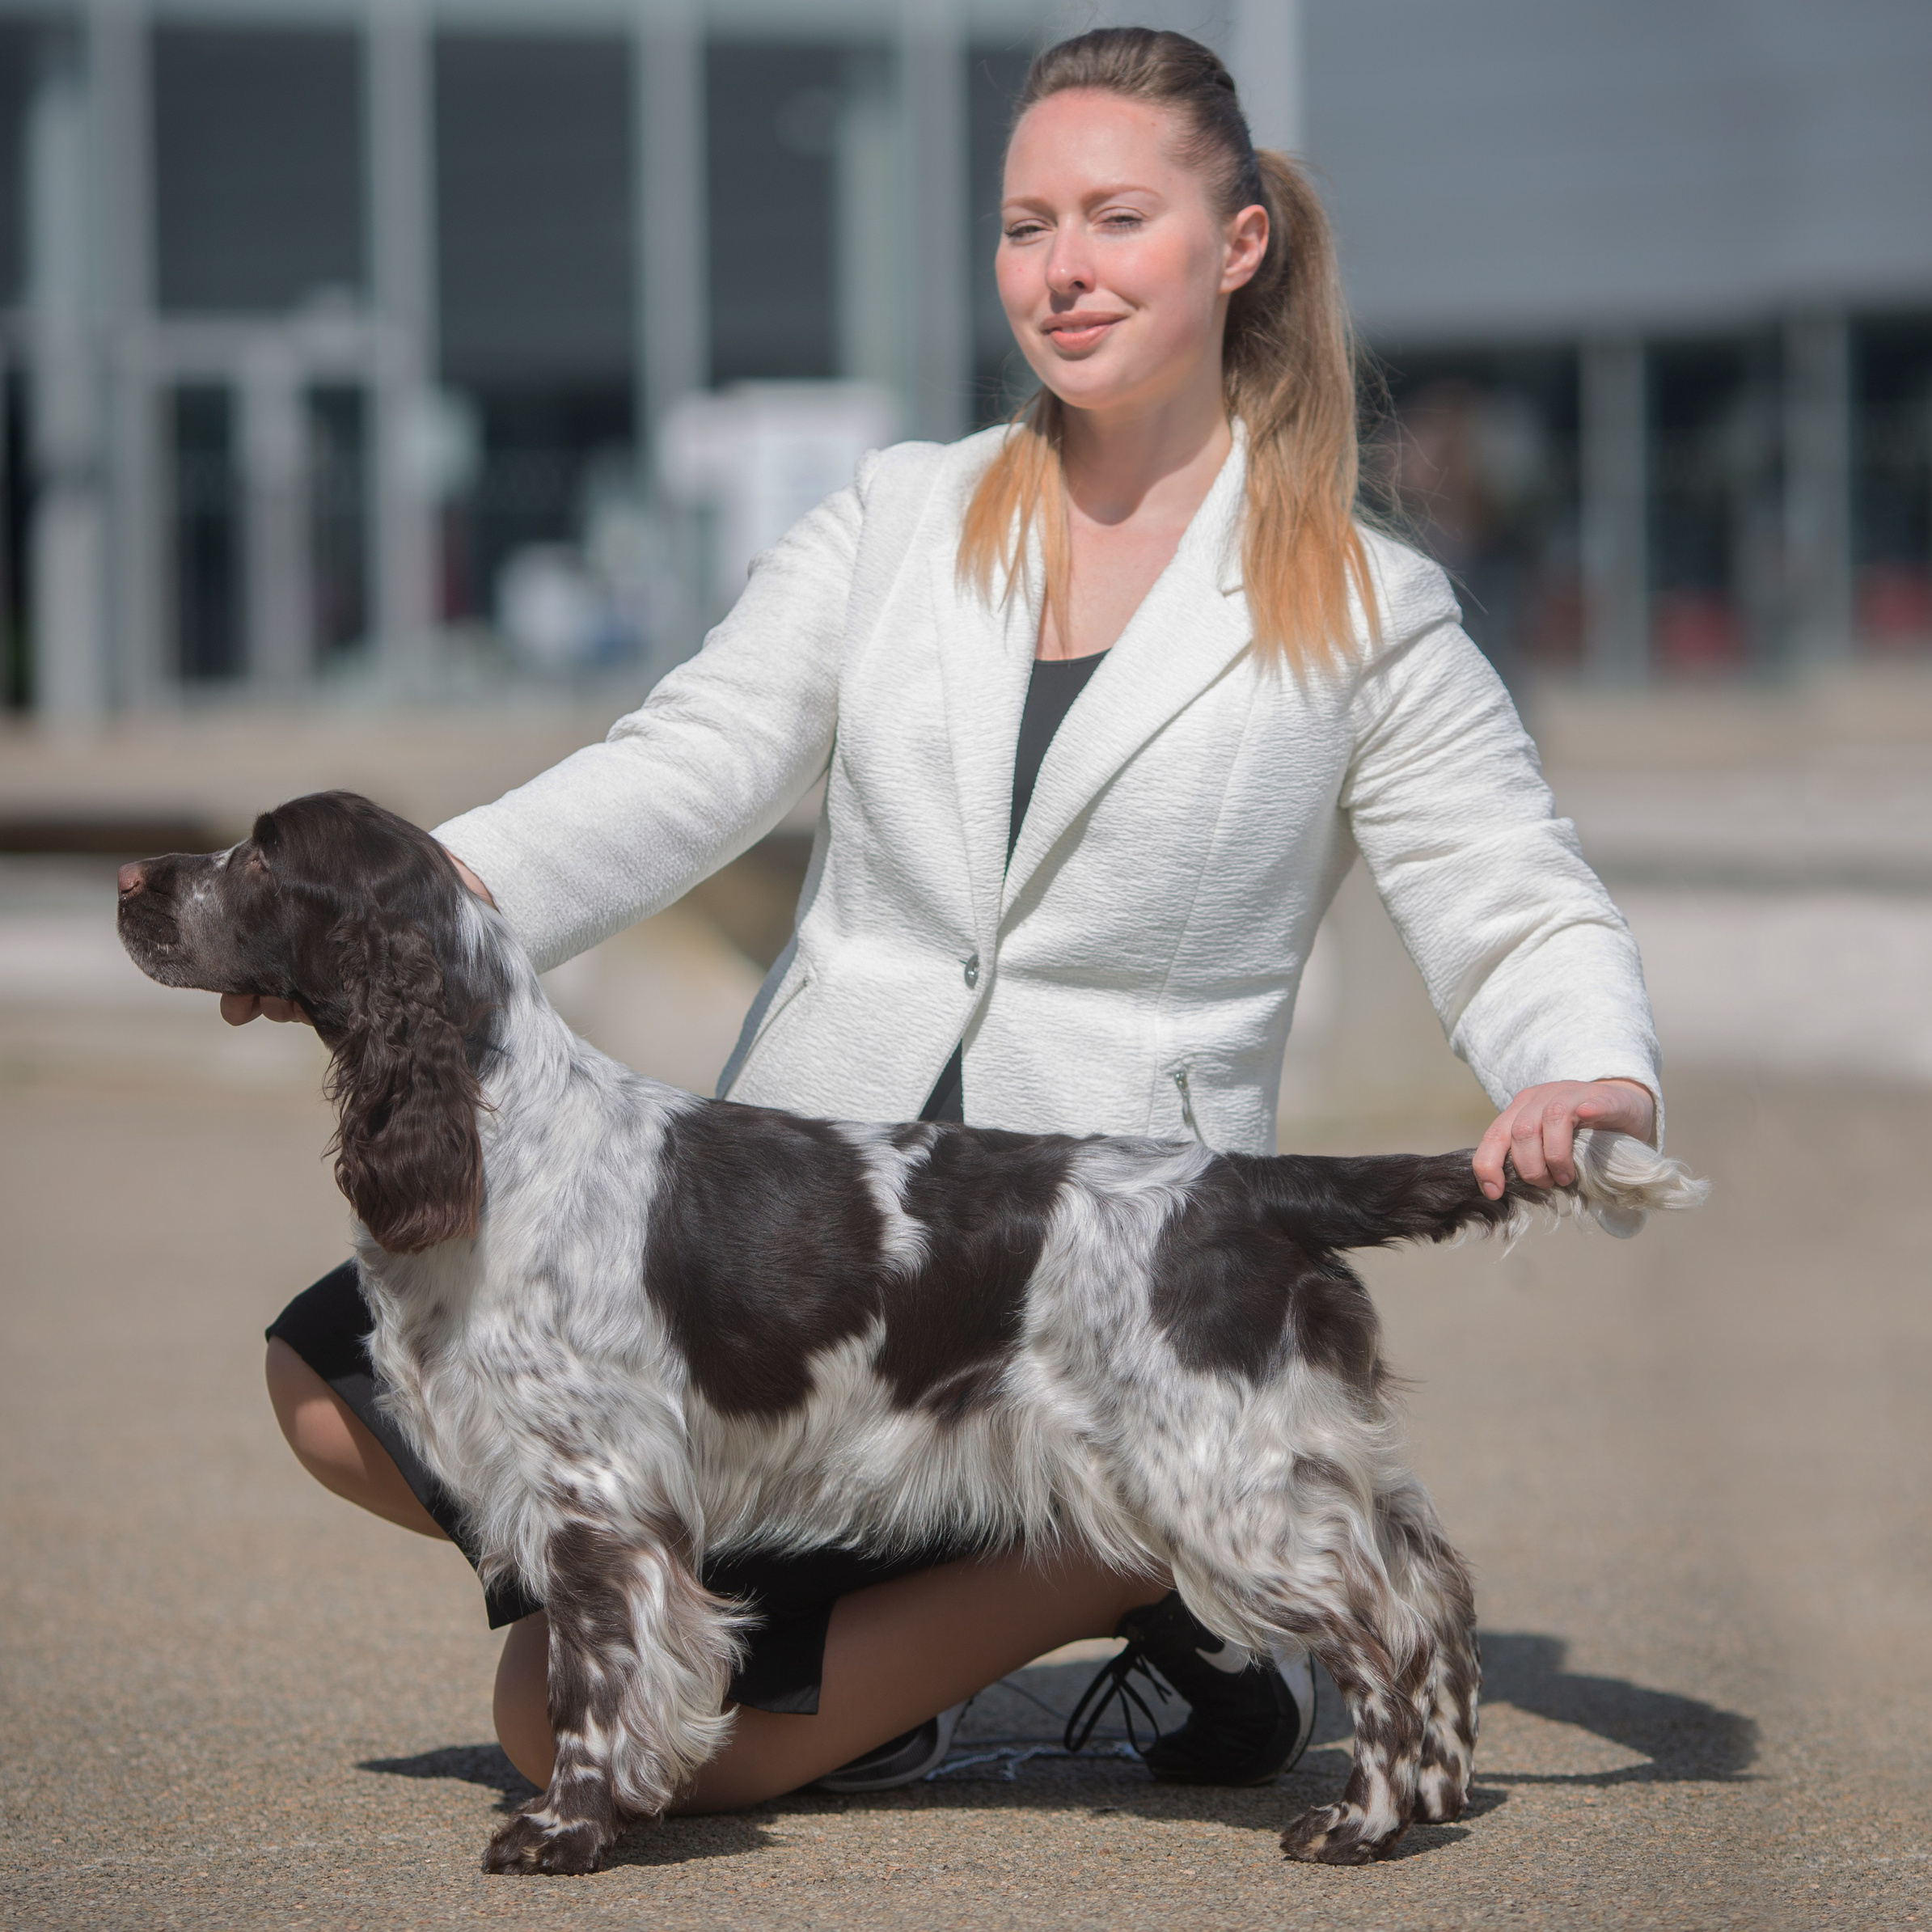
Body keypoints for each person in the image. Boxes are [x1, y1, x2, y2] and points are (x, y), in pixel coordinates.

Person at [247, 27, 1661, 1813]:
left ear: (1235, 247)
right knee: (331, 1369)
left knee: (563, 1726)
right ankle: (931, 1598)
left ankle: (1136, 1542)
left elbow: (1509, 892)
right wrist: (406, 902)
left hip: (1094, 1275)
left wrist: (1583, 1067)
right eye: (1024, 225)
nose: (1060, 270)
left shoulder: (1368, 603)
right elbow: (685, 763)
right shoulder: (899, 520)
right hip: (805, 1263)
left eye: (1114, 219)